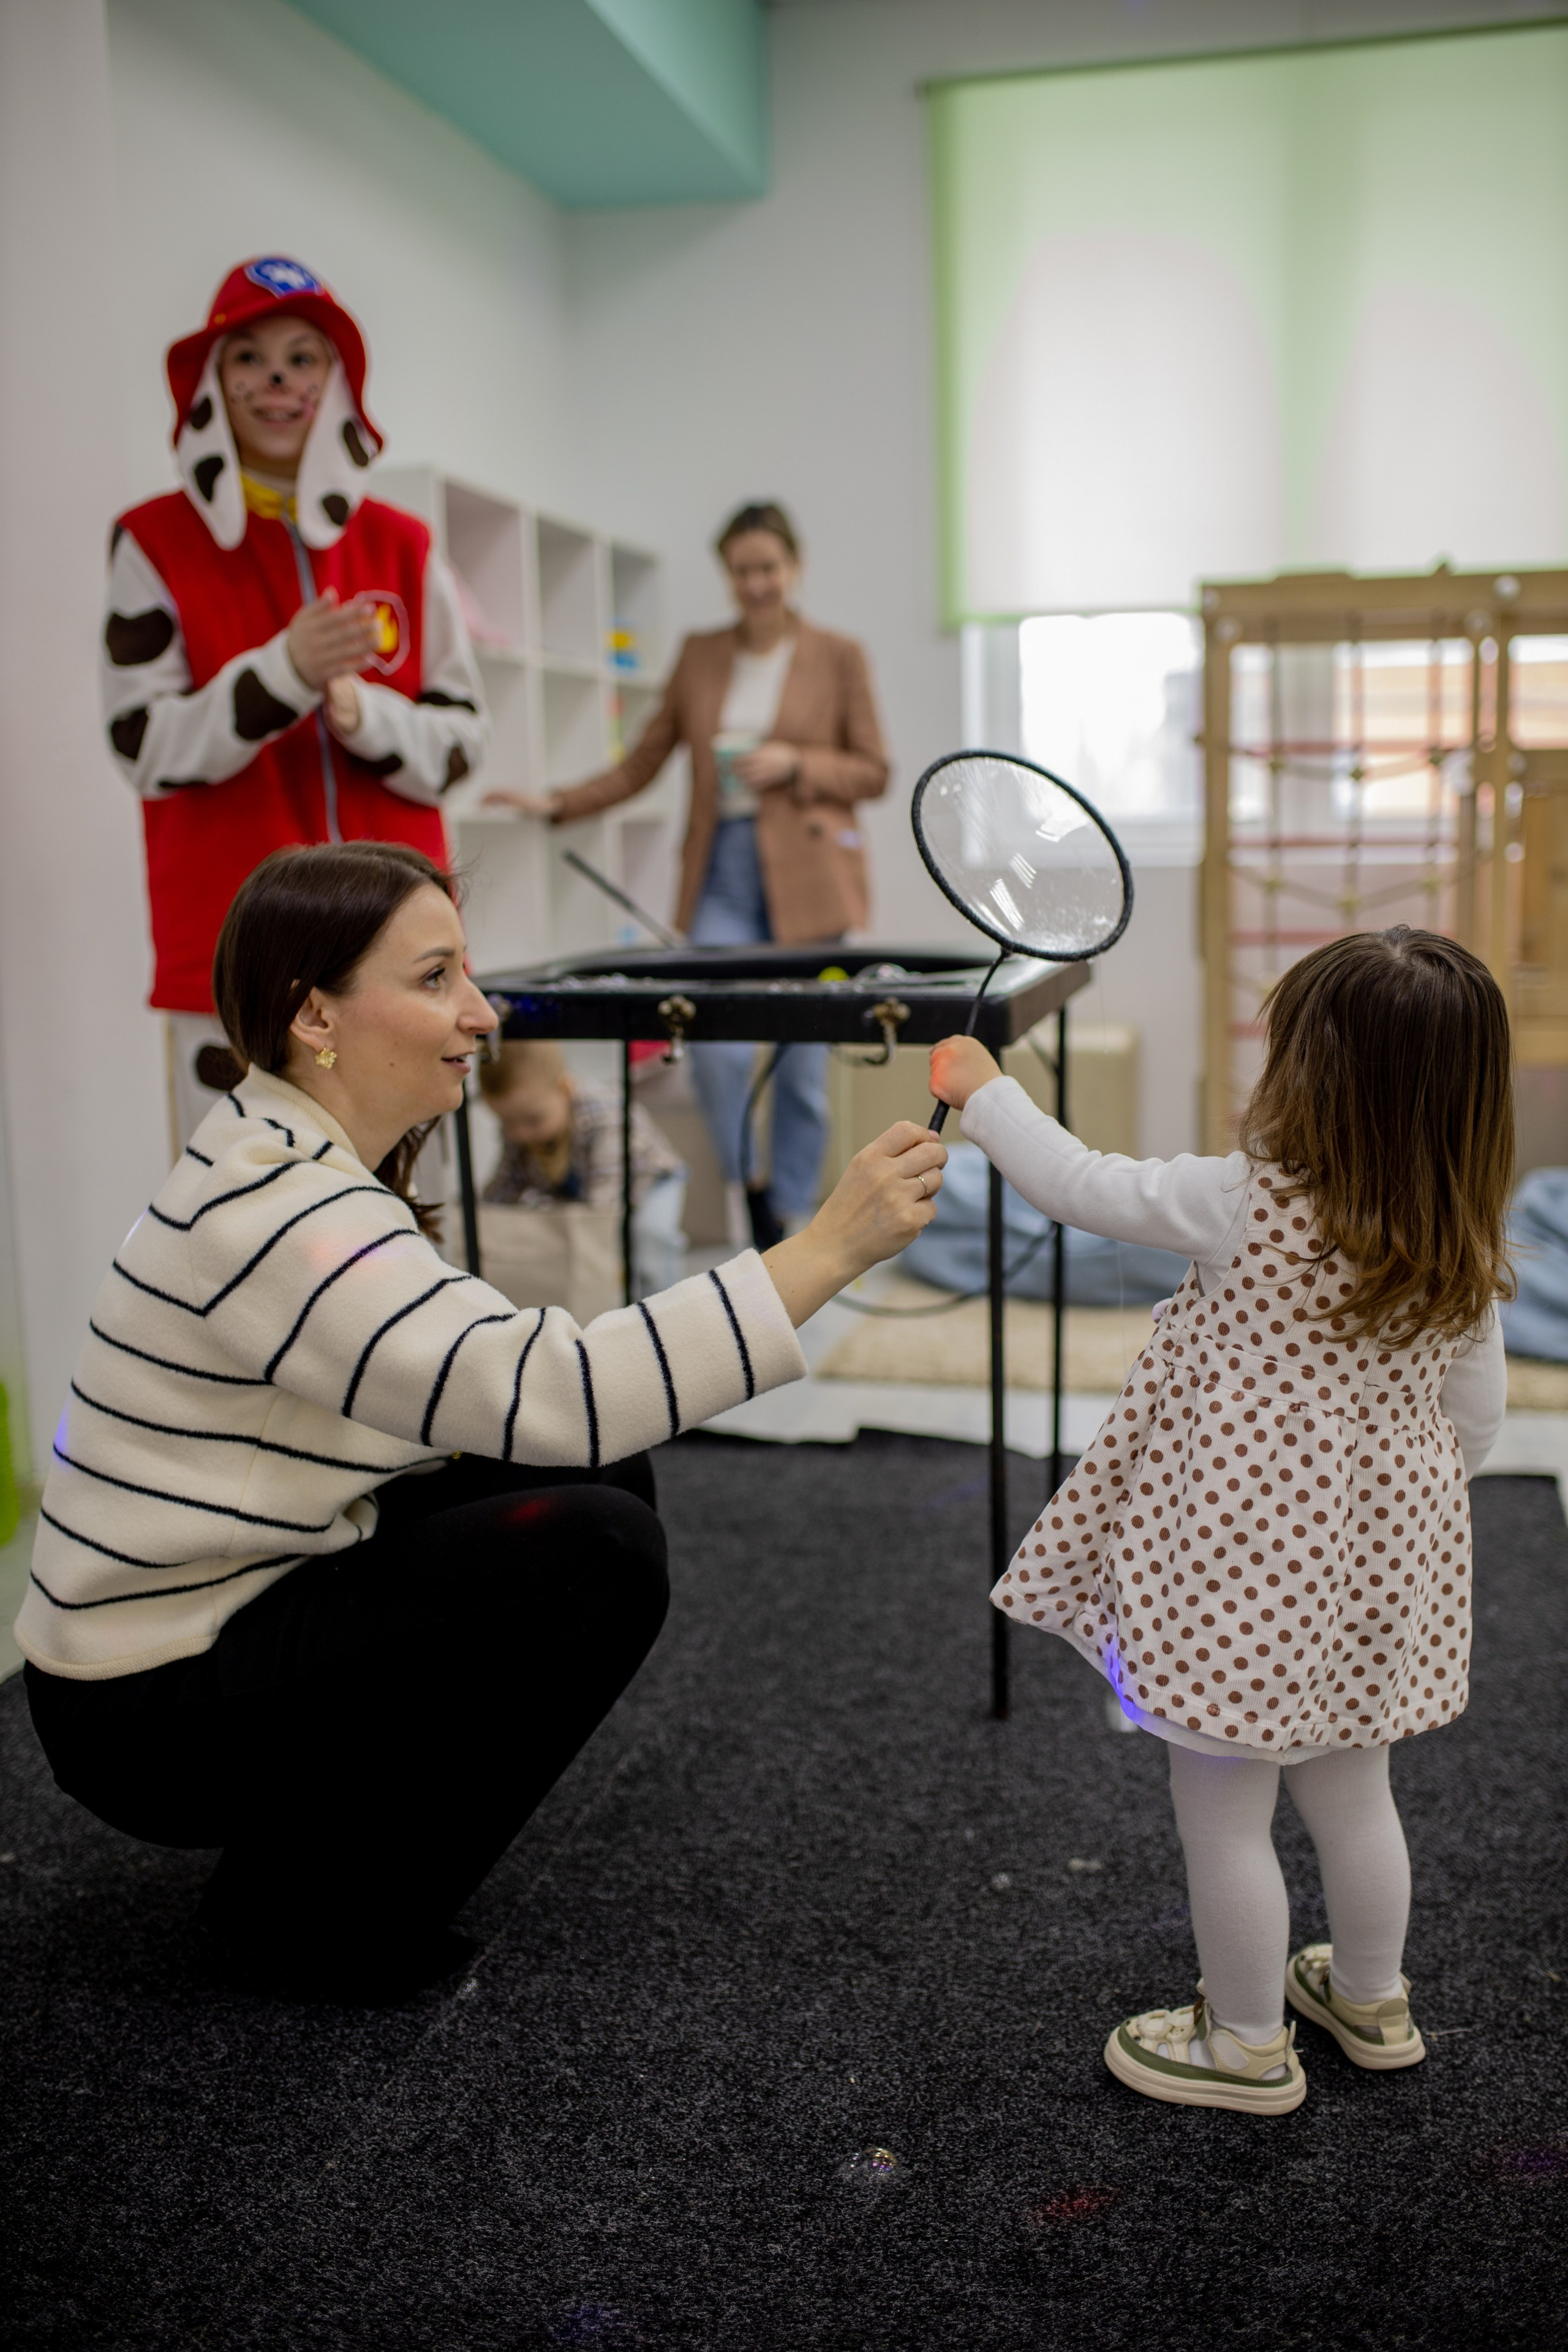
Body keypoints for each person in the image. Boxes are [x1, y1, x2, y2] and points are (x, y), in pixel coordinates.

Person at [18, 842, 945, 2001]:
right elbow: (561, 1387)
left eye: (469, 974)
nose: (480, 1012)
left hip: (210, 1619)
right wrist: (829, 1248)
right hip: (148, 1710)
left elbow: (520, 1398)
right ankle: (309, 1917)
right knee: (597, 1550)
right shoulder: (281, 1212)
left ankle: (310, 1863)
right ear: (317, 1014)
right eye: (436, 977)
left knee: (594, 1478)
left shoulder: (286, 1153)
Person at [932, 927, 1511, 2115]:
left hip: (1236, 1574)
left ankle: (1243, 2042)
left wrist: (984, 1094)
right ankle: (1369, 1997)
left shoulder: (1240, 1202)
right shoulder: (1462, 1242)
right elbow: (1478, 1424)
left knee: (1222, 1810)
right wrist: (1386, 1509)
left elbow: (1077, 1183)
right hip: (1379, 1572)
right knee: (1356, 1793)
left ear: (1310, 1076)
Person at [102, 255, 489, 1148]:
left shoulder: (404, 544)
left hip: (402, 964)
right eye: (250, 358)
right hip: (234, 960)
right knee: (235, 1210)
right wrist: (279, 675)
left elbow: (465, 741)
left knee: (402, 1213)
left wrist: (366, 717)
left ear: (337, 382)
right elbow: (141, 744)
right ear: (213, 383)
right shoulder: (154, 543)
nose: (277, 381)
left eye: (303, 357)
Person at [486, 500, 888, 1248]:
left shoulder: (838, 654)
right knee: (713, 1046)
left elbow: (874, 770)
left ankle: (792, 1213)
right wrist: (555, 802)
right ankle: (753, 1188)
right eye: (741, 570)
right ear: (726, 575)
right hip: (723, 873)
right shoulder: (701, 654)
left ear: (793, 569)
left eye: (768, 567)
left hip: (810, 877)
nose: (756, 583)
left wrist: (797, 763)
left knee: (801, 1068)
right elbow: (645, 760)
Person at [478, 1037, 688, 1296]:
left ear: (565, 1089)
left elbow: (603, 1205)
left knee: (649, 1242)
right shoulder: (520, 1134)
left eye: (533, 1120)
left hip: (649, 1182)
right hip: (586, 1191)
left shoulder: (605, 1118)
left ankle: (663, 1304)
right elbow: (504, 1188)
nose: (521, 1133)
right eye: (508, 1123)